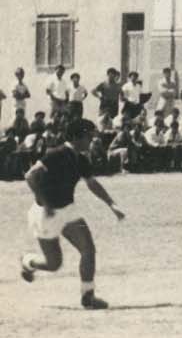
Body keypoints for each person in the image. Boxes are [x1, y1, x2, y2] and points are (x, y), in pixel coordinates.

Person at [19, 118, 125, 309]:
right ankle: (28, 262)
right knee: (54, 264)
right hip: (45, 213)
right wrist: (47, 204)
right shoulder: (56, 154)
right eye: (89, 136)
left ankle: (88, 296)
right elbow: (30, 176)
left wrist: (111, 204)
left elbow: (92, 183)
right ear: (77, 137)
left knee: (88, 249)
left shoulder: (81, 159)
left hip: (68, 209)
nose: (92, 140)